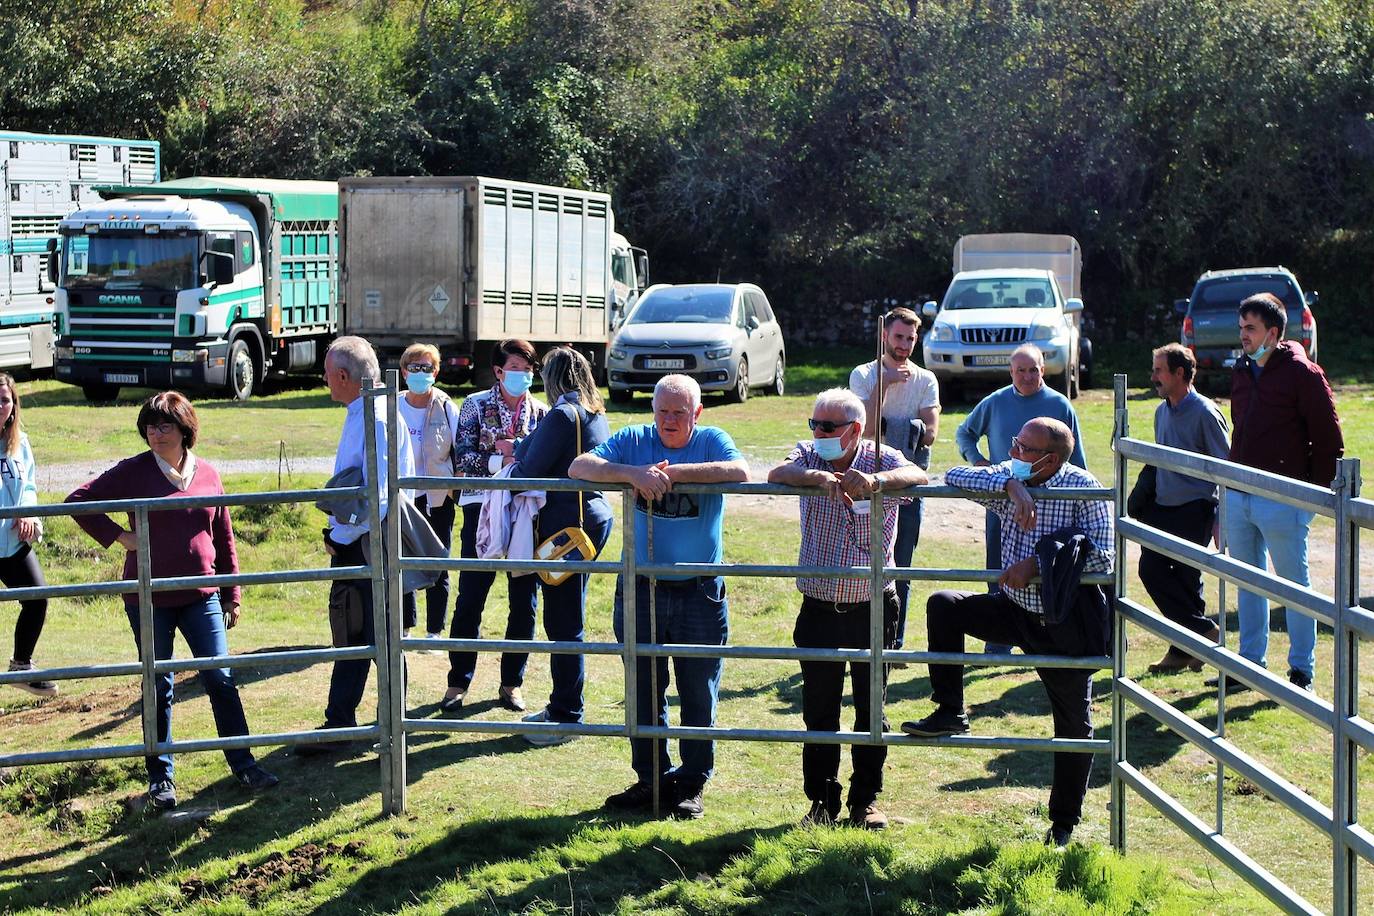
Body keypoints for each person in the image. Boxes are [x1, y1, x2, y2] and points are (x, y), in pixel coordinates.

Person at [902, 417, 1113, 849]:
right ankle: (950, 711)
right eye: (1014, 442)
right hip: (1014, 610)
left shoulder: (1082, 489)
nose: (1013, 451)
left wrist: (1038, 566)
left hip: (1063, 621)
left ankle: (1063, 824)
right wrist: (1009, 486)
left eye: (1022, 447)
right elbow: (955, 474)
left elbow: (1105, 558)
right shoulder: (1011, 477)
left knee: (1073, 723)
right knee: (944, 605)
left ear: (1050, 459)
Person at [66, 392, 278, 808]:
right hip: (148, 598)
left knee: (219, 678)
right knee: (158, 683)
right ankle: (161, 779)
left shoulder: (209, 475)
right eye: (149, 425)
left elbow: (224, 537)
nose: (154, 433)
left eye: (163, 425)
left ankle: (244, 764)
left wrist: (232, 593)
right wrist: (119, 536)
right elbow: (77, 501)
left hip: (202, 596)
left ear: (185, 430)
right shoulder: (134, 471)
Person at [570, 374, 749, 818]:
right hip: (640, 586)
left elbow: (739, 471)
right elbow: (579, 467)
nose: (670, 421)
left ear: (697, 414)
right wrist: (632, 474)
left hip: (699, 590)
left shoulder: (711, 440)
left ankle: (691, 782)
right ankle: (651, 779)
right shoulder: (634, 439)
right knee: (644, 687)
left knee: (697, 689)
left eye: (680, 413)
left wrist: (668, 476)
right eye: (663, 412)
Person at [767, 388, 928, 829]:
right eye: (814, 424)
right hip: (818, 605)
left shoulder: (883, 456)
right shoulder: (808, 455)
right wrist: (817, 479)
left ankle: (865, 801)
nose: (817, 432)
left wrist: (876, 482)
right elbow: (777, 471)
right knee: (819, 708)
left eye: (828, 426)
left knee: (871, 707)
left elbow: (920, 475)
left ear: (855, 431)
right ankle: (820, 801)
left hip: (873, 606)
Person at [1219, 293, 1343, 693]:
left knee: (1293, 585)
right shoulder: (1241, 370)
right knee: (1247, 580)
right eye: (1241, 329)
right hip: (1241, 491)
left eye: (1250, 329)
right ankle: (1249, 663)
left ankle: (1301, 670)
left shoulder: (1304, 374)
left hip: (1284, 495)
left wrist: (1310, 495)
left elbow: (1329, 441)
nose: (1243, 337)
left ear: (1273, 333)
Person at [299, 336, 415, 755]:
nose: (325, 380)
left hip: (370, 545)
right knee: (360, 634)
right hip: (362, 540)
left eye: (329, 374)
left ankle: (381, 724)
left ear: (344, 376)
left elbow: (378, 494)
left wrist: (341, 535)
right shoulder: (367, 410)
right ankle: (349, 722)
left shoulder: (376, 417)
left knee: (375, 635)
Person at [504, 347, 615, 744]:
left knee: (564, 623)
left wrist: (519, 455)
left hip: (567, 528)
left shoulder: (562, 414)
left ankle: (567, 713)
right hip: (590, 522)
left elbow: (529, 466)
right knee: (570, 617)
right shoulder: (593, 411)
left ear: (552, 379)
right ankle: (563, 705)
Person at [954, 344, 1087, 654]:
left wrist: (1078, 493)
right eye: (1021, 370)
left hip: (1050, 502)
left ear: (1043, 369)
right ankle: (998, 641)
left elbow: (1075, 457)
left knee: (1047, 565)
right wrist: (981, 463)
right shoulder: (995, 402)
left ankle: (1046, 635)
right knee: (1000, 567)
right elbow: (964, 434)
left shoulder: (1060, 404)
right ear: (1011, 372)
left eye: (1034, 370)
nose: (1028, 376)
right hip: (1004, 499)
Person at [443, 339, 548, 713]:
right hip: (479, 505)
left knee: (525, 600)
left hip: (524, 507)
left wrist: (514, 452)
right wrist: (501, 459)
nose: (523, 375)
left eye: (528, 368)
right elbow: (464, 458)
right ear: (499, 371)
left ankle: (511, 683)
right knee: (471, 595)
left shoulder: (542, 412)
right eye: (516, 368)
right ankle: (457, 682)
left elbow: (544, 459)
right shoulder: (474, 404)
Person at [1129, 344, 1230, 673]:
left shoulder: (1205, 412)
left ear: (1180, 374)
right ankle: (1199, 634)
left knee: (1186, 578)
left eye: (1160, 370)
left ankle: (1185, 646)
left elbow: (1226, 466)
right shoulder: (1161, 412)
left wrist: (1220, 516)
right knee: (1151, 570)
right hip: (1164, 506)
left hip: (1195, 507)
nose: (1154, 376)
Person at [848, 307, 939, 651]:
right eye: (899, 337)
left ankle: (894, 640)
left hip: (906, 480)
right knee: (863, 554)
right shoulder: (863, 374)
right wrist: (883, 386)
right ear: (884, 335)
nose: (904, 345)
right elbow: (866, 429)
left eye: (911, 339)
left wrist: (913, 429)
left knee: (902, 557)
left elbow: (929, 432)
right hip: (865, 477)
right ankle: (860, 633)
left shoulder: (926, 380)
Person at [396, 343, 460, 646]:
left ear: (436, 372)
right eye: (414, 367)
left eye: (427, 368)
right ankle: (405, 627)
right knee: (401, 557)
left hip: (437, 497)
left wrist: (453, 492)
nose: (420, 373)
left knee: (438, 559)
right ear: (404, 371)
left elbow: (459, 450)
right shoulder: (392, 405)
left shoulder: (446, 406)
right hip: (403, 496)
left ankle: (435, 632)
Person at [0, 375, 55, 698]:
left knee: (37, 598)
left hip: (13, 543)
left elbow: (29, 486)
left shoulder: (21, 442)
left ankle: (21, 666)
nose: (0, 406)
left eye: (5, 400)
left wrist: (29, 513)